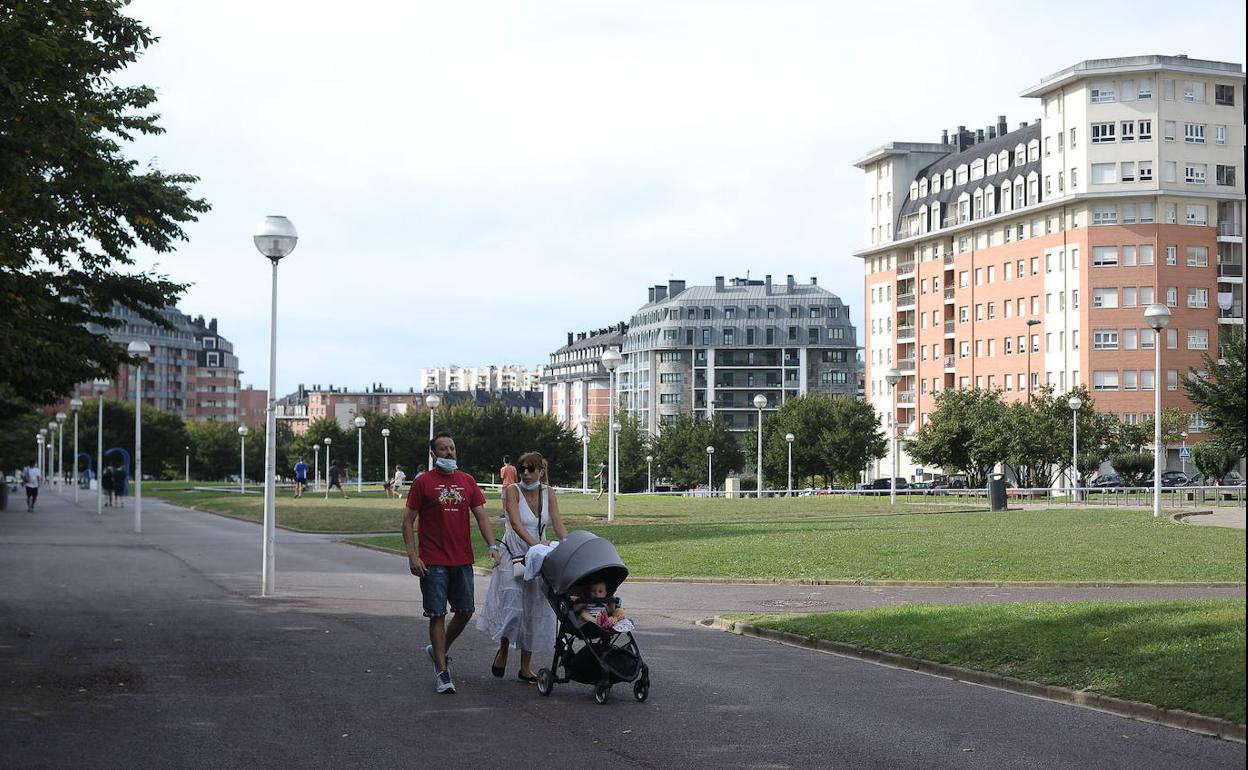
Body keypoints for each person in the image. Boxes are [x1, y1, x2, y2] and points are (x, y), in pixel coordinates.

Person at [403, 432, 500, 694]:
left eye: (452, 448)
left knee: (465, 611)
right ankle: (443, 671)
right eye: (443, 449)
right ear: (434, 454)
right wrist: (413, 555)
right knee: (437, 614)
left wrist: (492, 546)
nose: (449, 453)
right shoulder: (423, 483)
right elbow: (407, 522)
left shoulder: (467, 481)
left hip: (461, 559)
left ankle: (439, 650)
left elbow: (481, 516)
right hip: (433, 561)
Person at [476, 451, 567, 683]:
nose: (526, 473)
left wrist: (567, 545)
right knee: (513, 607)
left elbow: (557, 524)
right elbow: (515, 524)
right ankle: (504, 649)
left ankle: (525, 667)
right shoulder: (511, 491)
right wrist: (536, 545)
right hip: (514, 554)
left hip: (539, 556)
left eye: (531, 469)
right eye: (522, 468)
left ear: (541, 471)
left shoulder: (549, 493)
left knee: (534, 608)